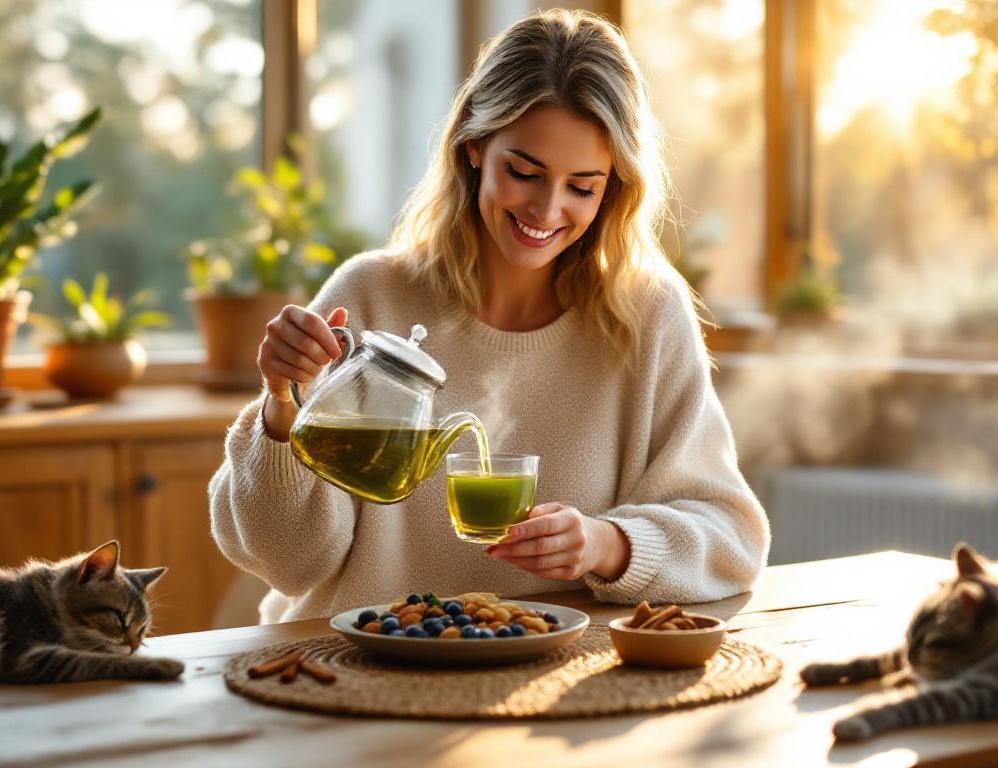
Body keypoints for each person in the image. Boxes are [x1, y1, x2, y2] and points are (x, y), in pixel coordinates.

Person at [209, 8, 769, 624]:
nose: (547, 210)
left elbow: (732, 538)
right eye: (523, 172)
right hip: (353, 664)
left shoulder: (647, 317)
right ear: (475, 147)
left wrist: (607, 545)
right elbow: (288, 564)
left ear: (614, 188)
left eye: (582, 187)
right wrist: (281, 408)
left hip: (545, 671)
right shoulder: (372, 299)